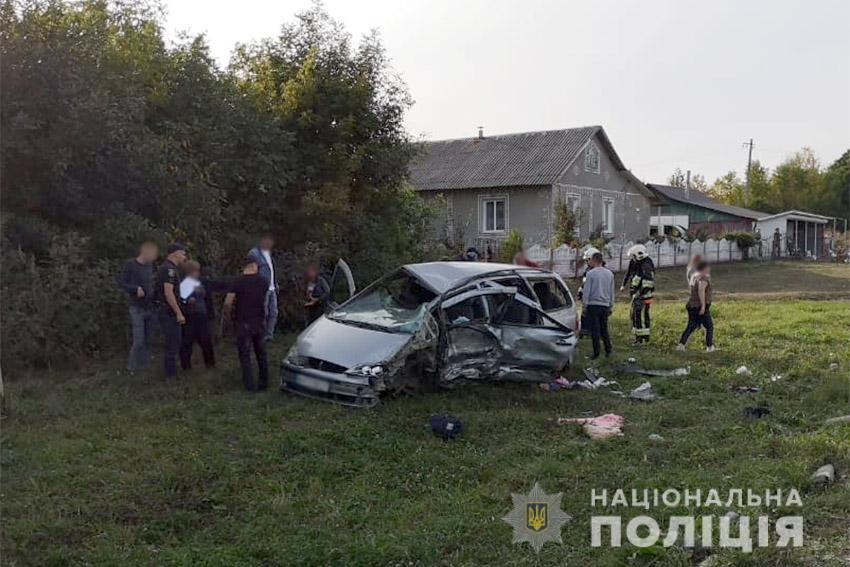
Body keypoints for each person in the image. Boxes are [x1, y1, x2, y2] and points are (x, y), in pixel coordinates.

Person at [225, 256, 270, 391]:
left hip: (243, 322)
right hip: (259, 321)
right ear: (254, 265)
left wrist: (228, 317)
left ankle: (249, 385)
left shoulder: (237, 281)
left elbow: (228, 302)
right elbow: (266, 302)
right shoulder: (263, 281)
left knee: (245, 355)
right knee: (261, 353)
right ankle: (264, 383)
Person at [119, 240, 159, 372]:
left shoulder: (150, 266)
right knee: (139, 340)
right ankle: (132, 367)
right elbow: (122, 283)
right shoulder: (131, 265)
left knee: (149, 339)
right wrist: (135, 289)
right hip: (137, 307)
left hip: (150, 306)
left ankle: (145, 366)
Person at [154, 243, 187, 378]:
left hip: (168, 310)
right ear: (175, 253)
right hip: (168, 312)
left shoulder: (170, 268)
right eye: (183, 253)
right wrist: (178, 312)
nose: (184, 257)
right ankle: (171, 376)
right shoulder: (169, 270)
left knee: (174, 342)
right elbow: (169, 293)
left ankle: (172, 373)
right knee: (172, 343)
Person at [178, 260, 215, 370]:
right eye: (195, 271)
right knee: (187, 342)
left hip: (201, 315)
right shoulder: (183, 284)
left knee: (206, 340)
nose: (197, 273)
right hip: (189, 316)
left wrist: (210, 313)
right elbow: (180, 300)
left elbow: (207, 298)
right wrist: (187, 301)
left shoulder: (201, 282)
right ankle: (186, 366)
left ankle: (210, 363)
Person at [676, 260, 715, 352]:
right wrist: (703, 306)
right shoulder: (703, 279)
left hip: (691, 305)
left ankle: (681, 345)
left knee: (691, 326)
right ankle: (709, 347)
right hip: (699, 306)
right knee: (709, 326)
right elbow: (701, 292)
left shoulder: (694, 277)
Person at [582, 252, 615, 359]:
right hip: (605, 305)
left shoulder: (590, 274)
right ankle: (608, 350)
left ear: (594, 260)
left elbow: (586, 291)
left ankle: (596, 353)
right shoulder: (609, 274)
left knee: (595, 330)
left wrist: (584, 306)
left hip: (593, 305)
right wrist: (611, 305)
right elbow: (611, 292)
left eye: (590, 259)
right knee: (604, 329)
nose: (589, 262)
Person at [621, 243, 655, 344]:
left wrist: (638, 293)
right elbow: (634, 276)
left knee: (641, 316)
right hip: (639, 294)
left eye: (634, 256)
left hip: (643, 296)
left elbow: (648, 283)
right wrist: (628, 287)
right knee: (636, 315)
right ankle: (640, 337)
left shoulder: (646, 265)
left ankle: (642, 339)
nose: (633, 258)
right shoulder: (639, 263)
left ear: (639, 255)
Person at [248, 233, 278, 342]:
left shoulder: (269, 253)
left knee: (273, 312)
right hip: (262, 288)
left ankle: (269, 335)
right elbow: (252, 270)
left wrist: (275, 283)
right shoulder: (254, 253)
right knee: (262, 312)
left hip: (272, 288)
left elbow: (271, 270)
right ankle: (259, 334)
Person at [576, 246, 600, 337]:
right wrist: (580, 290)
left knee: (589, 314)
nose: (586, 262)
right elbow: (584, 283)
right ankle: (585, 330)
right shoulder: (588, 270)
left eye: (588, 260)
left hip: (592, 297)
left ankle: (588, 330)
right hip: (587, 295)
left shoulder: (595, 271)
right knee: (585, 313)